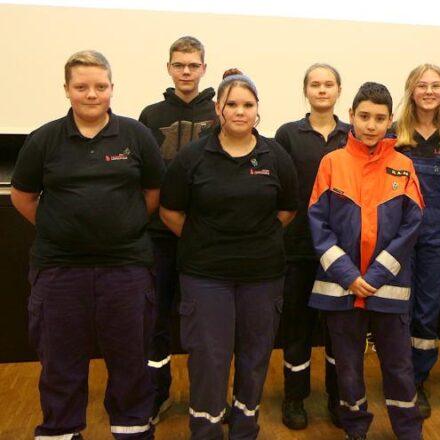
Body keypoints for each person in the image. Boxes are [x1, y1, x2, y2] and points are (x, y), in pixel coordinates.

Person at [11, 50, 163, 439]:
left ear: (112, 88)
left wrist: (121, 226)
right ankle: (61, 430)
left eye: (100, 86)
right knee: (60, 366)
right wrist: (60, 229)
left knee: (130, 365)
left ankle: (131, 429)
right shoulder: (43, 139)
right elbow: (23, 196)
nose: (91, 94)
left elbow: (153, 191)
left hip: (126, 269)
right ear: (67, 90)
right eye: (81, 87)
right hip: (60, 272)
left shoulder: (136, 136)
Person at [159, 69, 299, 439]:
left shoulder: (276, 156)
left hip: (263, 276)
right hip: (205, 276)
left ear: (257, 110)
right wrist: (206, 239)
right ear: (218, 108)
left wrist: (255, 237)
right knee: (209, 359)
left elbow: (287, 210)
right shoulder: (192, 157)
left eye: (248, 104)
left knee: (255, 358)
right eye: (232, 104)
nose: (240, 111)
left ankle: (244, 428)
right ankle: (205, 430)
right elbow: (170, 211)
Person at [308, 82, 424, 440]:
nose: (371, 125)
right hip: (341, 290)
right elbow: (318, 224)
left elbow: (412, 226)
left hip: (388, 288)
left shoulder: (404, 166)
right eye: (364, 117)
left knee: (399, 366)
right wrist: (347, 275)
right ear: (351, 117)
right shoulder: (331, 163)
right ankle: (355, 429)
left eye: (379, 118)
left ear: (391, 120)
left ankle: (408, 431)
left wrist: (373, 276)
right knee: (348, 368)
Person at [138, 35, 217, 423]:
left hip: (206, 240)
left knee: (206, 321)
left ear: (204, 68)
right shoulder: (150, 116)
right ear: (169, 68)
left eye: (193, 65)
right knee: (156, 320)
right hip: (158, 237)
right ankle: (156, 394)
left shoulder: (221, 112)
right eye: (179, 64)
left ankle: (209, 399)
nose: (186, 71)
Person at [274, 63, 348, 430]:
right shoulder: (288, 134)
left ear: (338, 91)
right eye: (315, 84)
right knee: (298, 326)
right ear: (306, 91)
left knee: (338, 329)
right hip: (299, 246)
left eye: (328, 84)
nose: (322, 90)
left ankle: (339, 399)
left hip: (343, 251)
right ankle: (294, 397)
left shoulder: (353, 135)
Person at [393, 63, 440, 418]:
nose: (428, 91)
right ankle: (398, 379)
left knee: (426, 310)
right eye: (422, 85)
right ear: (411, 90)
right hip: (398, 235)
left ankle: (417, 381)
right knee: (399, 310)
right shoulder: (395, 136)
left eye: (435, 86)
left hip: (437, 235)